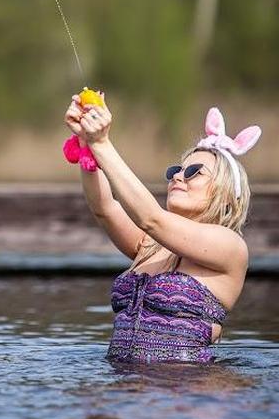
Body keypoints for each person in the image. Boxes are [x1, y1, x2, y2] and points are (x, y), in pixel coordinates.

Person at [64, 92, 261, 364]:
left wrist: (103, 144)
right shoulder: (150, 245)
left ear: (226, 194)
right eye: (176, 171)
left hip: (191, 395)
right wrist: (87, 145)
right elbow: (105, 208)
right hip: (130, 391)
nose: (179, 176)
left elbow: (152, 218)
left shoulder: (230, 246)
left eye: (194, 173)